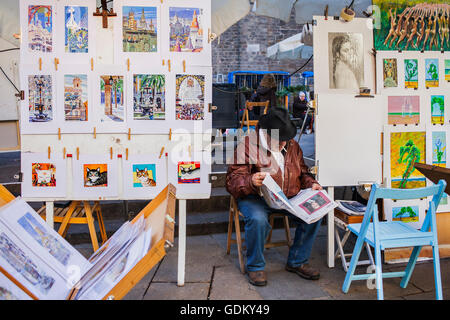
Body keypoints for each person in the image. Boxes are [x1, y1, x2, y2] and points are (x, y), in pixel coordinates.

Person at [226, 107, 323, 286]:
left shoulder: (292, 145)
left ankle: (297, 261)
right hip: (255, 198)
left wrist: (311, 184)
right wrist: (250, 180)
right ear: (266, 133)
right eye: (279, 140)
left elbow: (302, 173)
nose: (283, 145)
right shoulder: (248, 145)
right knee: (257, 219)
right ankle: (255, 266)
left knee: (315, 212)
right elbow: (232, 180)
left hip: (288, 196)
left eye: (286, 140)